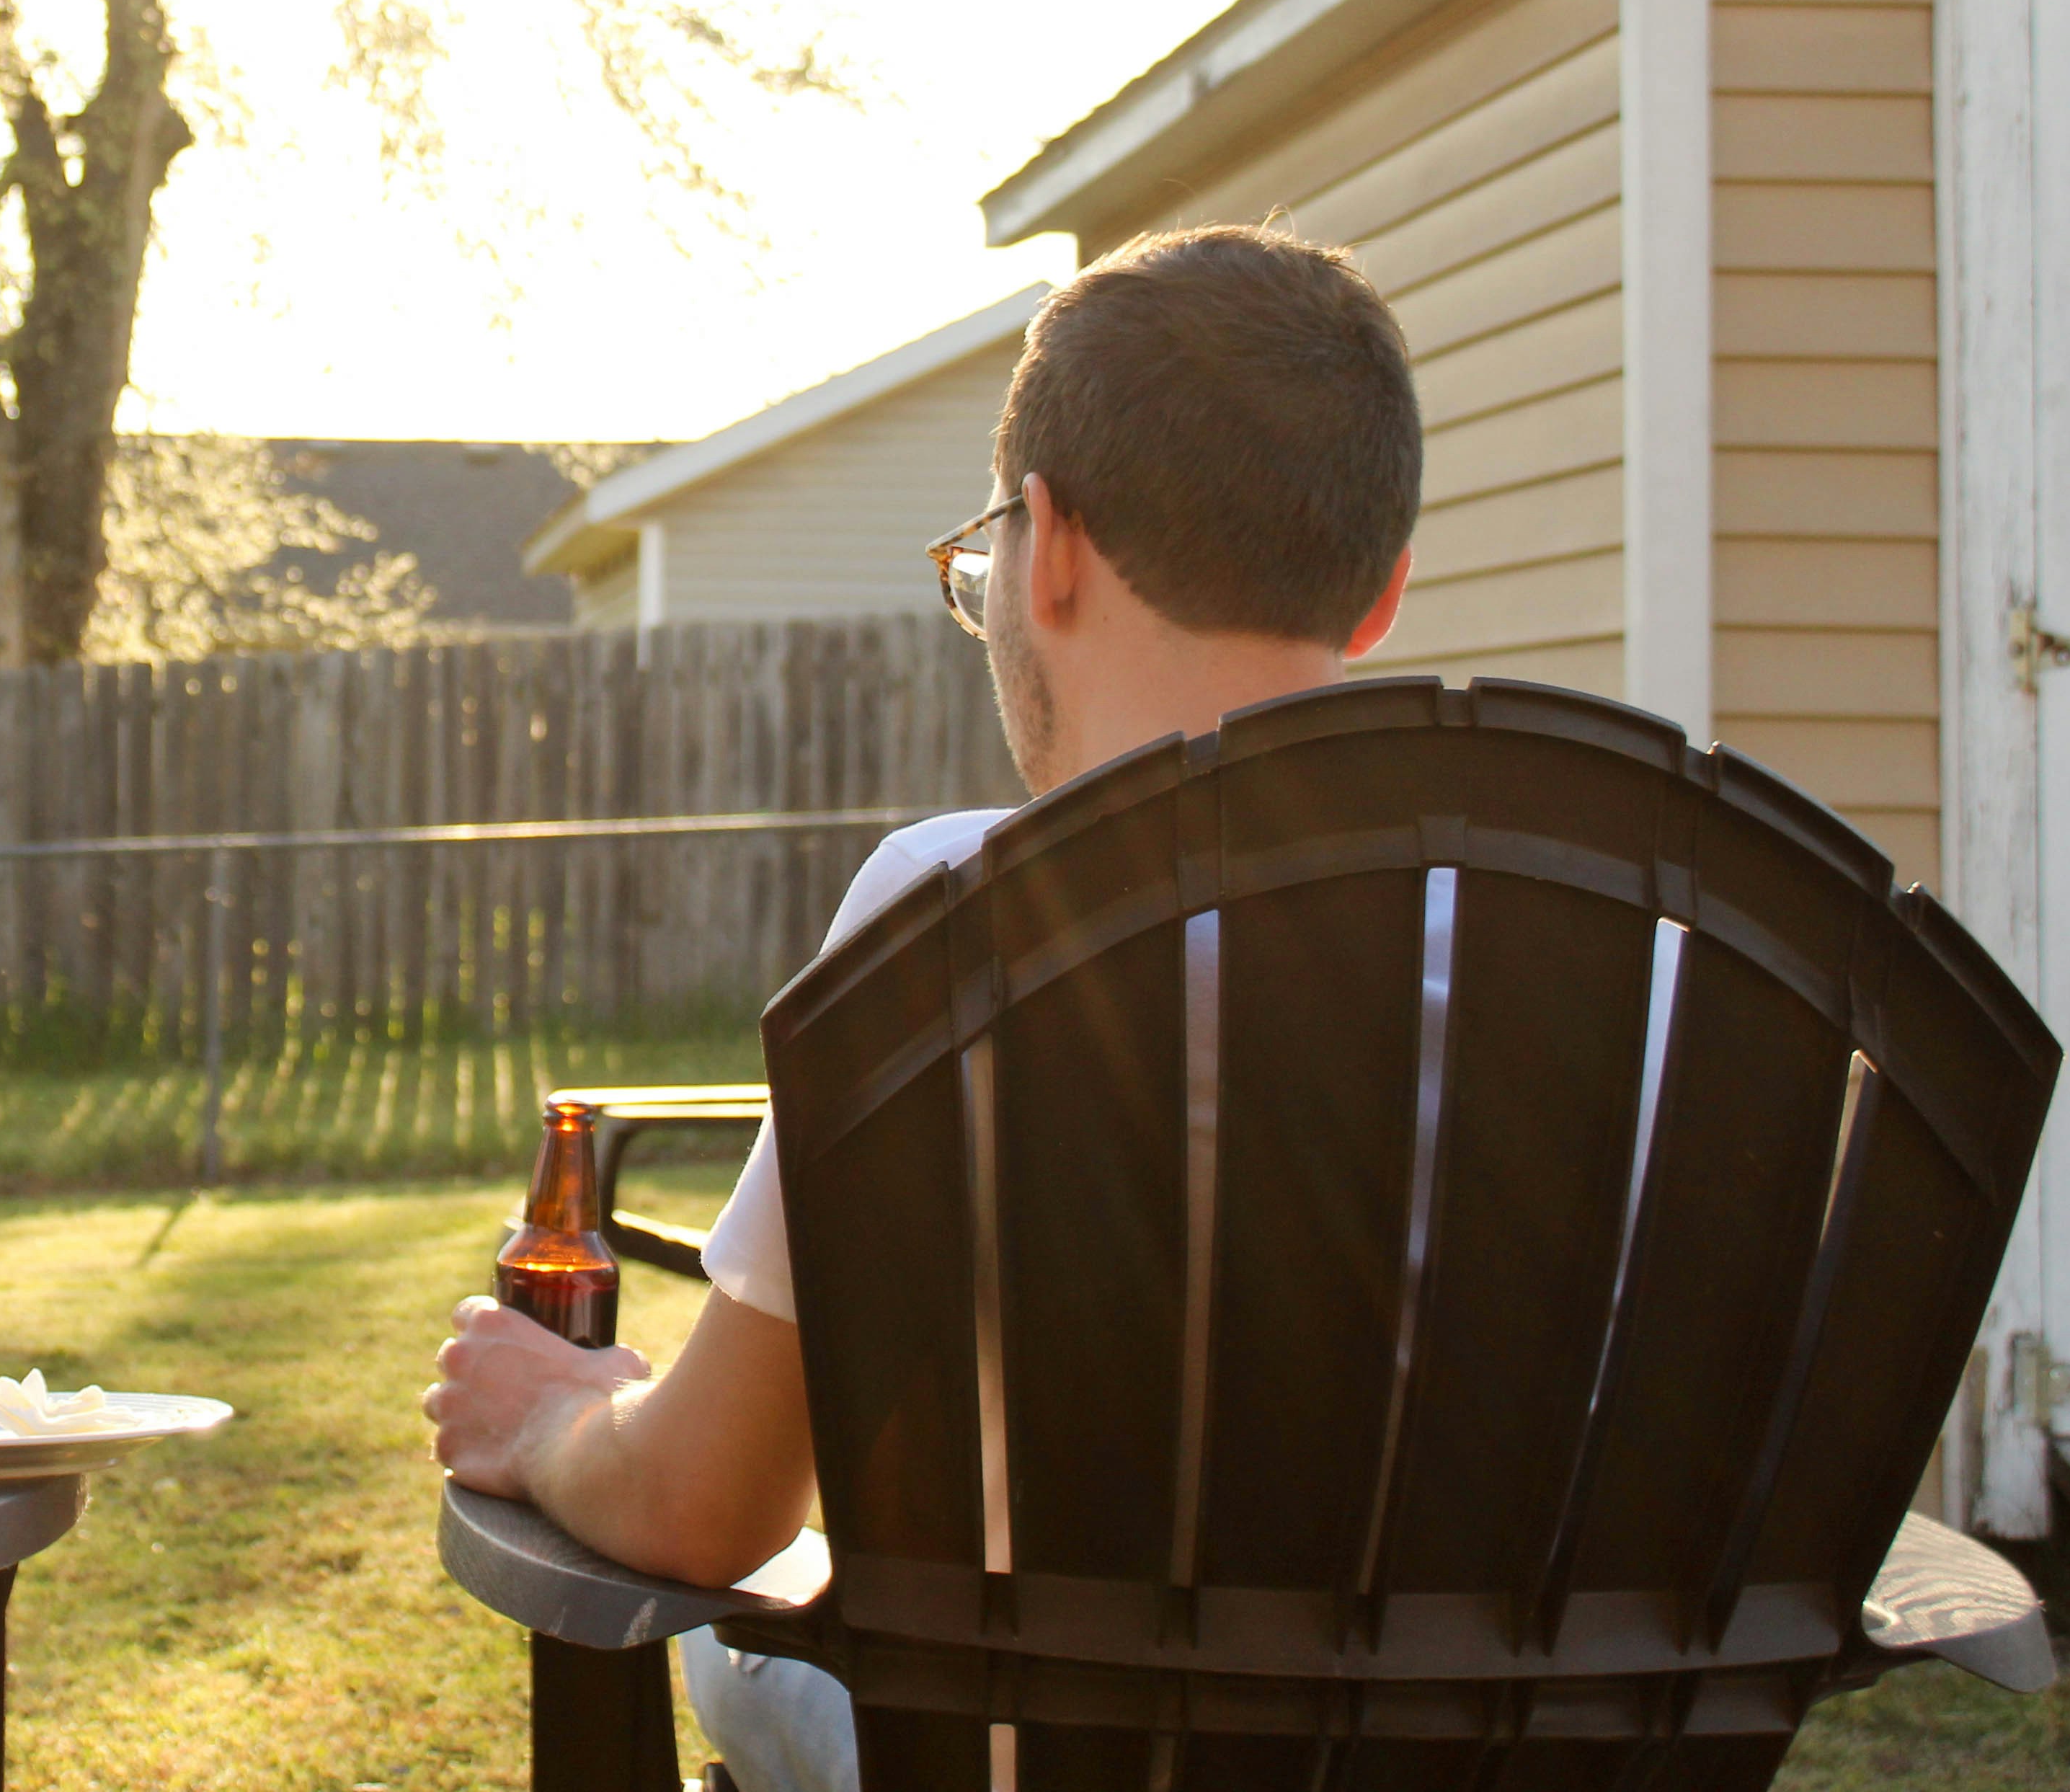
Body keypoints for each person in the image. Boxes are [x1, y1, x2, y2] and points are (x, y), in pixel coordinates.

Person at [421, 224, 1426, 1792]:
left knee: (744, 1643)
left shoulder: (967, 914)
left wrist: (563, 1415)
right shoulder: (1645, 963)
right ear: (1378, 598)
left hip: (1078, 1757)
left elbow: (705, 1511)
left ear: (1053, 542)